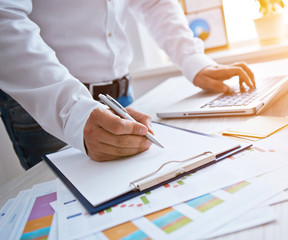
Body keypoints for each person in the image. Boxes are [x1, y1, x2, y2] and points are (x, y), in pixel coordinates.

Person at [0, 0, 255, 170]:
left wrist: (193, 59)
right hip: (48, 106)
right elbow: (4, 17)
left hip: (121, 98)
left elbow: (153, 2)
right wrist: (73, 111)